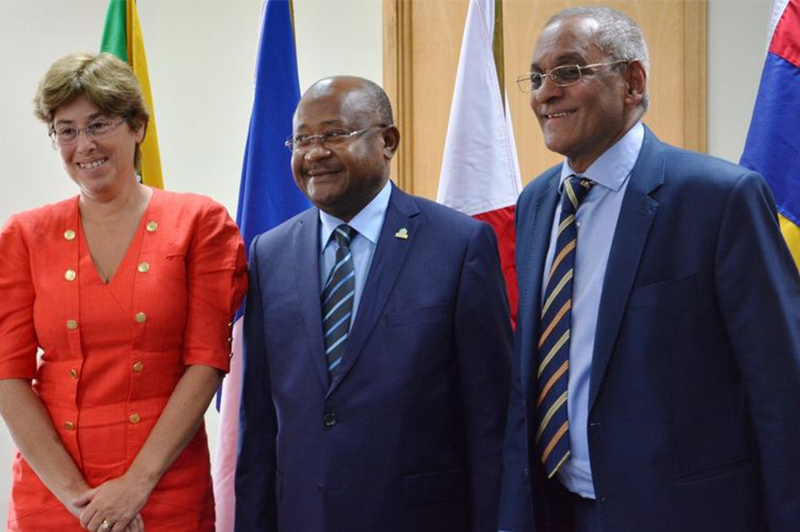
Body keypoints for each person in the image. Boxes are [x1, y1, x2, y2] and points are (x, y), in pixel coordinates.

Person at [499, 6, 800, 532]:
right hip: (556, 511)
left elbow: (781, 389)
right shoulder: (536, 202)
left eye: (568, 71)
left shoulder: (719, 199)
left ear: (632, 81)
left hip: (682, 514)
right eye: (538, 77)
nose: (545, 93)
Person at [234, 76, 512, 532]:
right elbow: (259, 423)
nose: (314, 153)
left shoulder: (458, 245)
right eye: (302, 140)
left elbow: (491, 421)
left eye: (334, 134)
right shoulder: (269, 253)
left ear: (388, 141)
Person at [0, 52, 247, 531]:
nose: (84, 145)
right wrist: (82, 503)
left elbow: (207, 362)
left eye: (98, 124)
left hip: (165, 486)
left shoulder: (199, 222)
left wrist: (135, 486)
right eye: (66, 130)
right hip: (54, 493)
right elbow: (8, 378)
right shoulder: (25, 236)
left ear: (138, 127)